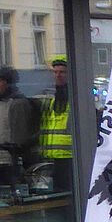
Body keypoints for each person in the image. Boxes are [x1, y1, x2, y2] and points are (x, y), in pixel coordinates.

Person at [0, 65, 37, 193]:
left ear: (8, 82)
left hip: (12, 164)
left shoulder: (17, 103)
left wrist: (14, 153)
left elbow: (20, 138)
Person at [37, 55, 73, 193]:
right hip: (50, 157)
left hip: (69, 159)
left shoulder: (75, 97)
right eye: (55, 72)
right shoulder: (50, 98)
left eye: (62, 72)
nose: (58, 75)